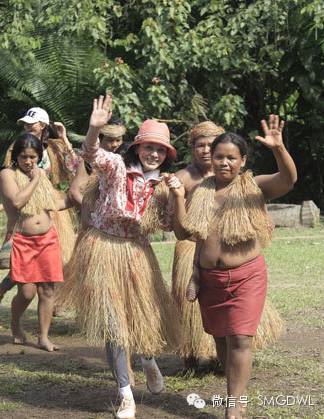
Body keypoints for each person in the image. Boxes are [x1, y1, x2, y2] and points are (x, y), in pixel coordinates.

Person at [167, 115, 297, 419]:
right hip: (211, 281)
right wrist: (177, 199)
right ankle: (232, 390)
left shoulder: (253, 188)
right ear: (211, 158)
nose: (224, 162)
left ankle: (234, 405)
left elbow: (288, 180)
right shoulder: (200, 192)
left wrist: (279, 148)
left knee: (240, 338)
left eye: (231, 158)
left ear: (243, 160)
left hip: (246, 277)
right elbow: (184, 233)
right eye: (219, 156)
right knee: (223, 345)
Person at [58, 95, 179, 419]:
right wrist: (93, 129)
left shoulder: (164, 185)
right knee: (113, 325)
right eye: (148, 147)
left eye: (160, 150)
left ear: (166, 155)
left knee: (140, 317)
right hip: (102, 250)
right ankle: (125, 394)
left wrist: (177, 195)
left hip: (137, 253)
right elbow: (91, 154)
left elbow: (168, 224)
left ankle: (148, 360)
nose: (153, 154)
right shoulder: (116, 166)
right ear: (137, 147)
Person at [0, 133, 71, 351]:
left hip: (48, 239)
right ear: (16, 157)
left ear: (39, 156)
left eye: (33, 157)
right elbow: (18, 202)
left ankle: (43, 337)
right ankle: (15, 323)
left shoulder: (40, 175)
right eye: (24, 157)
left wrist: (78, 196)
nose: (29, 161)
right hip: (22, 239)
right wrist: (37, 178)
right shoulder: (7, 174)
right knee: (27, 292)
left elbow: (53, 204)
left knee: (47, 291)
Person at [0, 107, 77, 303]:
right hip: (25, 210)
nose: (27, 127)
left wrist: (65, 139)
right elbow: (10, 175)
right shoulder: (18, 146)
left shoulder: (55, 147)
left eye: (31, 123)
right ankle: (2, 290)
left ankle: (51, 307)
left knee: (54, 262)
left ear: (43, 126)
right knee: (21, 266)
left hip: (51, 207)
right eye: (25, 124)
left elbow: (73, 168)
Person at [171, 121, 224, 370]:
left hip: (218, 249)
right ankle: (189, 357)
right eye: (199, 145)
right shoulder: (182, 178)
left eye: (210, 145)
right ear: (192, 148)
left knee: (217, 301)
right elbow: (171, 220)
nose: (205, 150)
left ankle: (217, 355)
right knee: (187, 304)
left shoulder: (226, 174)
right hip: (189, 247)